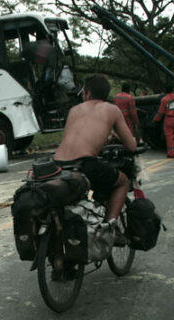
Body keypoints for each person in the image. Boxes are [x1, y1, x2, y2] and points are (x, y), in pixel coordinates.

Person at [53, 74, 138, 222]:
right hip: (84, 165)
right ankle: (110, 225)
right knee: (123, 182)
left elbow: (75, 138)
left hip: (57, 165)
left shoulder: (74, 110)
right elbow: (131, 146)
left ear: (88, 93)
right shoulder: (112, 109)